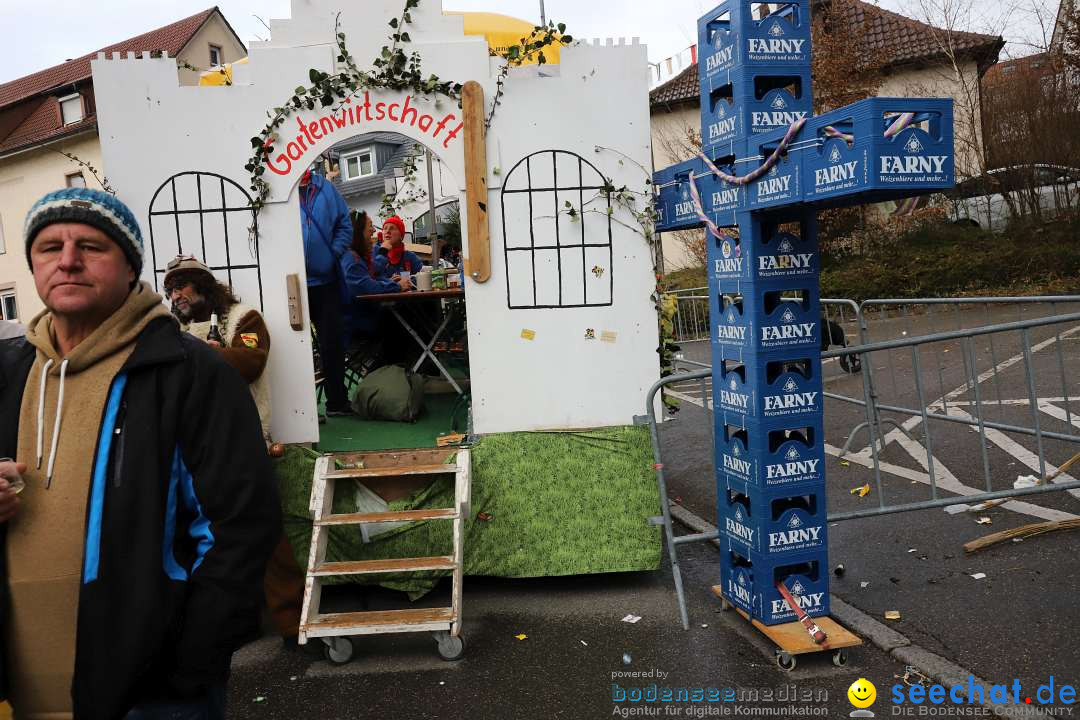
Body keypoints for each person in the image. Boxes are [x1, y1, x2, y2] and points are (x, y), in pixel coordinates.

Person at [0, 187, 279, 719]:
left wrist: (187, 664)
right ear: (33, 265)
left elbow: (241, 528)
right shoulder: (7, 372)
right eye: (49, 246)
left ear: (130, 268)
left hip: (149, 696)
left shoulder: (190, 373)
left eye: (91, 246)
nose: (67, 260)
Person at [163, 256, 273, 441]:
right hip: (193, 435)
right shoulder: (174, 328)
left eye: (180, 286)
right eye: (170, 291)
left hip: (240, 432)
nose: (174, 296)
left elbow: (252, 363)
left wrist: (207, 355)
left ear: (203, 285)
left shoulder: (244, 317)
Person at [300, 164, 353, 416]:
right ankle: (300, 411)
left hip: (325, 281)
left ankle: (337, 402)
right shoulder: (278, 192)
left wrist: (333, 253)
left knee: (332, 343)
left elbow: (345, 223)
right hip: (291, 283)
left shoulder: (326, 189)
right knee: (294, 346)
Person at [341, 211, 410, 342]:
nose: (374, 230)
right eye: (370, 226)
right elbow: (369, 287)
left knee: (405, 311)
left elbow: (370, 279)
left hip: (357, 315)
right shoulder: (352, 258)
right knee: (404, 314)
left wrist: (387, 282)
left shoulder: (352, 255)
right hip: (357, 321)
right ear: (359, 232)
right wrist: (397, 286)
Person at [374, 215, 423, 280]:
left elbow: (423, 277)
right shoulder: (374, 254)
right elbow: (370, 280)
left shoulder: (410, 257)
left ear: (401, 235)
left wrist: (407, 281)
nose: (387, 231)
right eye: (385, 228)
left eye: (392, 228)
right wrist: (390, 283)